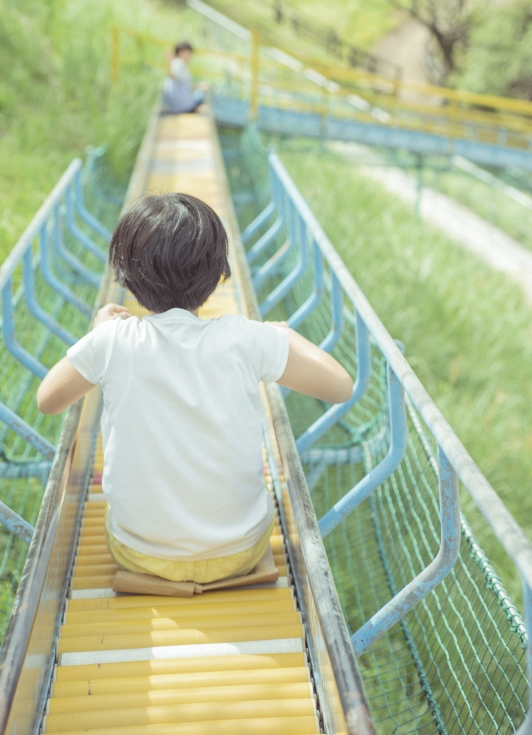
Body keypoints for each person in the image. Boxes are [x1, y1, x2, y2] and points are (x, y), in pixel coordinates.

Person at [36, 193, 352, 584]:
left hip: (141, 556)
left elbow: (47, 399)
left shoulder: (114, 340)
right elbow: (340, 386)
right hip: (240, 552)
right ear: (218, 272)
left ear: (127, 277)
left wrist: (98, 333)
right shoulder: (245, 337)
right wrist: (282, 334)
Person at [163, 41, 208, 114]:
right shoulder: (179, 64)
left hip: (174, 106)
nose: (191, 57)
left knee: (199, 92)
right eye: (189, 53)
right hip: (183, 107)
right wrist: (169, 61)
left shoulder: (176, 63)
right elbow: (173, 76)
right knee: (201, 95)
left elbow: (183, 85)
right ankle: (195, 109)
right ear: (182, 52)